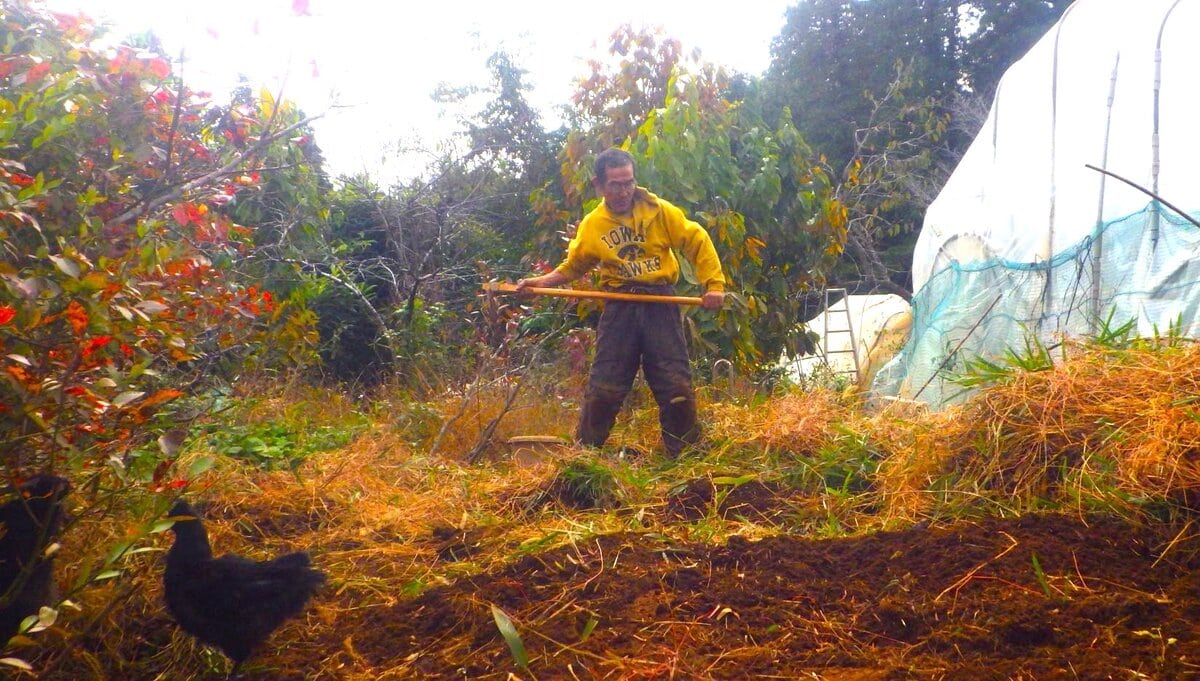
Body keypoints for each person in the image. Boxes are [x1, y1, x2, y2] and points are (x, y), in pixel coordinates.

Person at [516, 147, 726, 457]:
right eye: (615, 184)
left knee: (675, 386)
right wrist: (540, 283)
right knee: (606, 386)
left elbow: (696, 240)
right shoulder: (593, 224)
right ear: (599, 185)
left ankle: (685, 459)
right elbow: (574, 266)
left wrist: (714, 284)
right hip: (620, 307)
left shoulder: (659, 211)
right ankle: (584, 458)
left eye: (628, 182)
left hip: (660, 302)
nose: (623, 190)